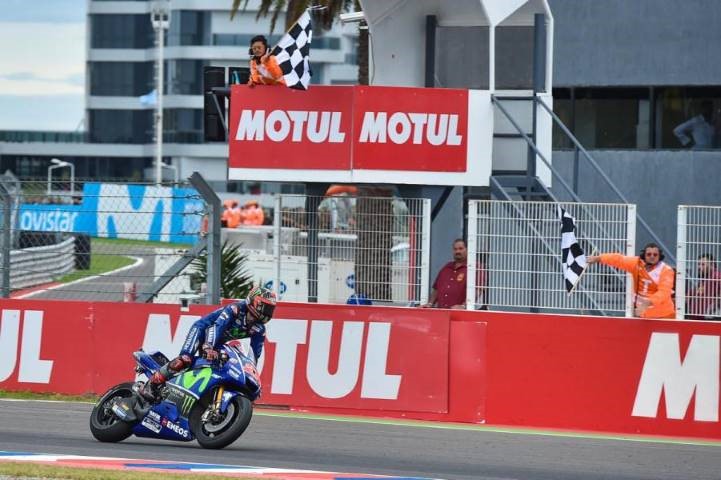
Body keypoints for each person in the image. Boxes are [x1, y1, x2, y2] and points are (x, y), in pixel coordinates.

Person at [140, 286, 277, 402]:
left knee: (218, 366)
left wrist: (252, 377)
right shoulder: (235, 309)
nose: (267, 312)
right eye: (264, 306)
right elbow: (217, 326)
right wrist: (208, 347)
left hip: (218, 342)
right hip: (202, 330)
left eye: (270, 309)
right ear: (254, 301)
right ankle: (151, 384)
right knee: (184, 360)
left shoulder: (259, 329)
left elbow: (253, 358)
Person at [587, 243, 675, 319]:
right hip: (642, 315)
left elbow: (664, 292)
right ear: (644, 255)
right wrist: (599, 258)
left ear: (660, 256)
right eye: (649, 254)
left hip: (664, 315)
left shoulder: (666, 270)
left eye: (655, 255)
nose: (652, 256)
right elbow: (619, 260)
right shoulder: (636, 263)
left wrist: (647, 302)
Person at [422, 239, 486, 310]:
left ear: (468, 249)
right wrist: (430, 303)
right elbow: (436, 288)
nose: (457, 251)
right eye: (455, 249)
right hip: (442, 312)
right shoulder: (447, 267)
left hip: (462, 314)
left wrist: (464, 306)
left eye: (461, 248)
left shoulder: (476, 267)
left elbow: (478, 290)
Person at [686, 253, 721, 320]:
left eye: (703, 264)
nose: (699, 267)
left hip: (709, 319)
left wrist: (713, 308)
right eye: (698, 264)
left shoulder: (717, 276)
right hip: (697, 318)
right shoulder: (705, 278)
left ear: (712, 265)